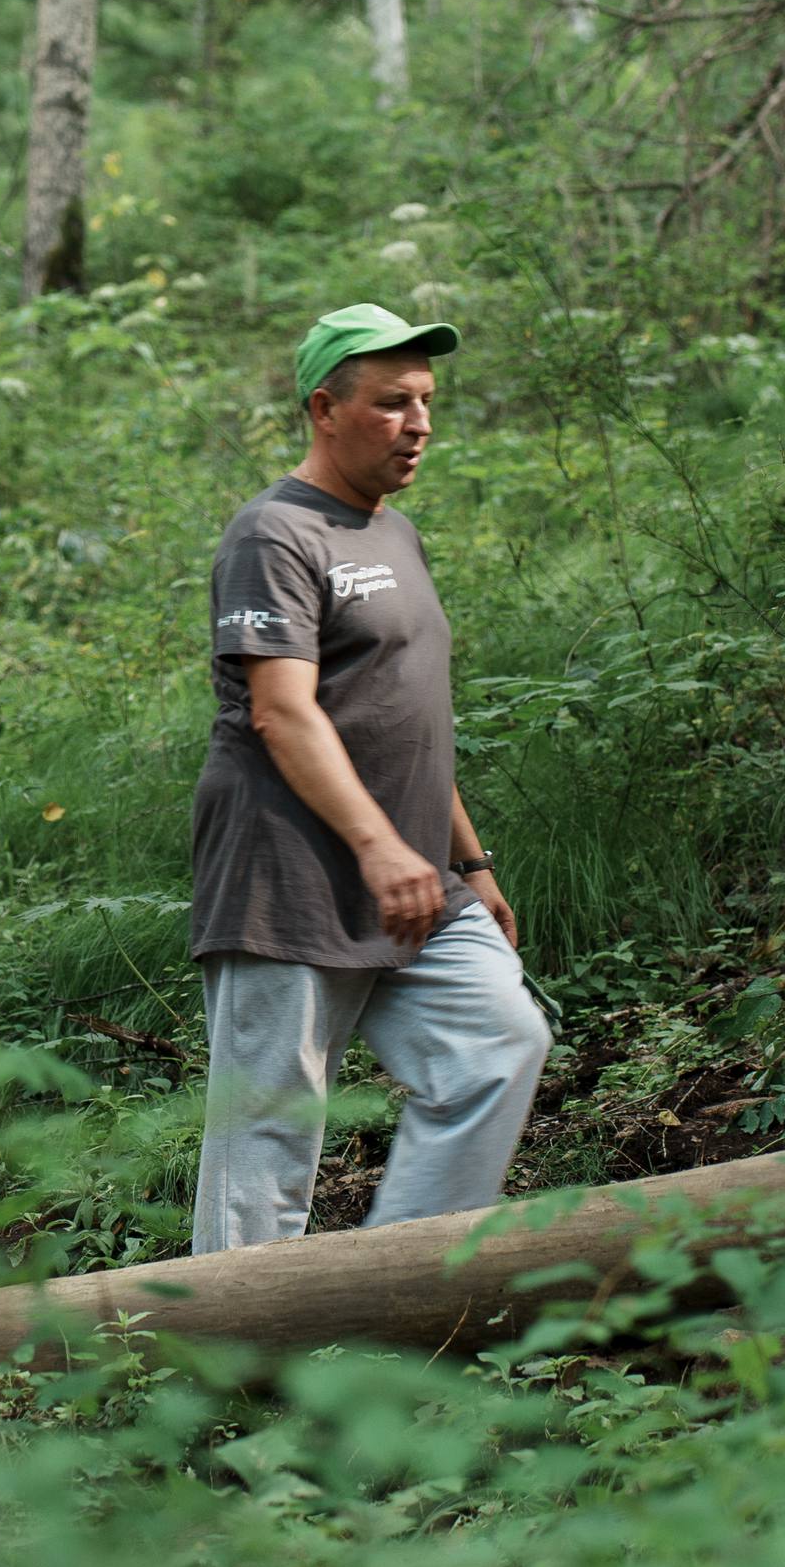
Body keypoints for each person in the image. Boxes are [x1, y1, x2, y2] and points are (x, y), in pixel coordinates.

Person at [189, 303, 550, 1254]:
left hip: (413, 878)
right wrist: (382, 846)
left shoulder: (397, 534)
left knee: (500, 1043)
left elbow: (410, 717)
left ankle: (403, 1280)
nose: (421, 424)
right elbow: (283, 712)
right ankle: (232, 1374)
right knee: (265, 1140)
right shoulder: (273, 536)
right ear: (325, 408)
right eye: (393, 404)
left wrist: (469, 861)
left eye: (426, 402)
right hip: (289, 874)